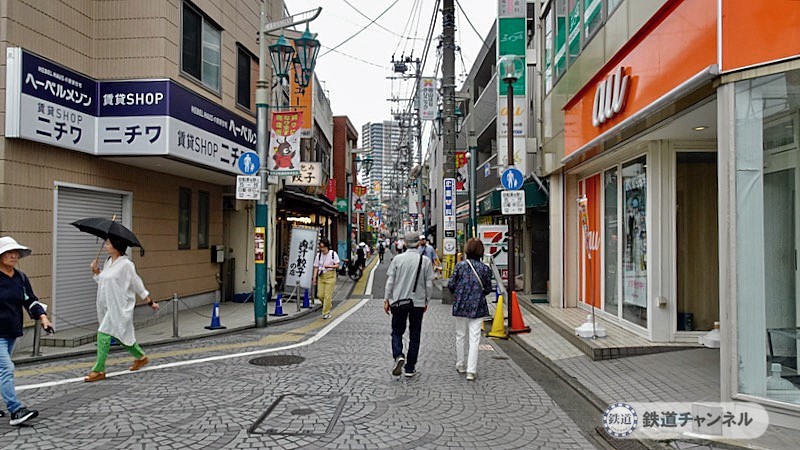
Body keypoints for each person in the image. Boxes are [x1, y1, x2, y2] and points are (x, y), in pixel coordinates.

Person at [85, 237, 160, 382]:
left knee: (103, 334)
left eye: (108, 243)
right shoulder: (108, 262)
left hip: (119, 307)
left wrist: (149, 301)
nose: (106, 245)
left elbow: (136, 283)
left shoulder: (126, 265)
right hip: (107, 305)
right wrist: (96, 271)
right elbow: (103, 282)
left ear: (117, 246)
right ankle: (141, 357)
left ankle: (99, 369)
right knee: (121, 335)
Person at [0, 237, 52, 425]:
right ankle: (15, 411)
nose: (14, 255)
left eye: (16, 252)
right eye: (8, 252)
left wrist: (43, 317)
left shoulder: (20, 278)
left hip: (11, 331)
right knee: (6, 368)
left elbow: (30, 300)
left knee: (1, 369)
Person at [383, 231, 433, 377]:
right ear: (418, 243)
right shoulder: (425, 261)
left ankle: (398, 355)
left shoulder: (397, 259)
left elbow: (390, 281)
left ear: (404, 243)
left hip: (399, 301)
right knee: (415, 334)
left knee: (397, 331)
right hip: (417, 303)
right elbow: (429, 284)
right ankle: (410, 367)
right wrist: (426, 301)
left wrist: (387, 299)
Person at [447, 238, 492, 381]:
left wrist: (459, 293)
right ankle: (471, 371)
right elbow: (488, 288)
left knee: (460, 335)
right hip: (477, 305)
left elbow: (451, 284)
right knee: (474, 338)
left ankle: (460, 364)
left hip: (460, 304)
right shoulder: (485, 269)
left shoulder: (460, 266)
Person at [312, 238, 339, 320]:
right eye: (320, 247)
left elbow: (337, 265)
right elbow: (316, 267)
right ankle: (328, 304)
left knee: (327, 295)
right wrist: (314, 277)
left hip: (330, 276)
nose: (322, 249)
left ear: (327, 247)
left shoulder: (333, 254)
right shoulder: (319, 255)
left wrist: (330, 266)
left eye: (323, 247)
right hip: (321, 276)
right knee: (320, 295)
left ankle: (326, 312)